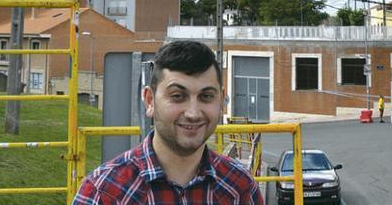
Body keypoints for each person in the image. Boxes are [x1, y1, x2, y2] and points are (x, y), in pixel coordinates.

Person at [72, 40, 263, 204]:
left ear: (221, 101)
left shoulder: (241, 189)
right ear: (149, 100)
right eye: (178, 96)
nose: (193, 113)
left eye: (206, 96)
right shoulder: (104, 193)